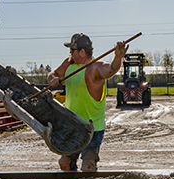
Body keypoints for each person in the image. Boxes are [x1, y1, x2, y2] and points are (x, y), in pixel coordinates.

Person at [46, 33, 128, 171]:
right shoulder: (68, 63)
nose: (70, 53)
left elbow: (111, 69)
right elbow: (53, 73)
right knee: (65, 163)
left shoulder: (96, 68)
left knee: (88, 168)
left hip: (92, 128)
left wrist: (118, 57)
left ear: (82, 52)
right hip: (72, 125)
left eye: (72, 50)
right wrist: (52, 79)